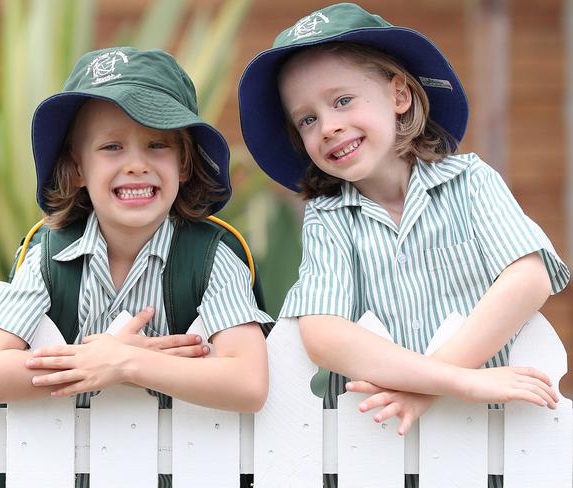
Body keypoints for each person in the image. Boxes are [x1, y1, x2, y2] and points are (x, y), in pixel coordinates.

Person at [238, 3, 569, 487]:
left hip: (496, 440)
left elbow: (528, 277)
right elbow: (323, 334)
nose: (327, 125)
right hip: (375, 447)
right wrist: (458, 381)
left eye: (343, 100)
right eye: (307, 120)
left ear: (399, 94)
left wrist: (428, 385)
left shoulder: (471, 182)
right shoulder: (330, 218)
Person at [0, 47, 272, 487]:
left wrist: (125, 363)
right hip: (63, 468)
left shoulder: (212, 256)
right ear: (76, 168)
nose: (135, 164)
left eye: (157, 144)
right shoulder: (49, 254)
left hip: (190, 468)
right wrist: (99, 356)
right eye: (111, 146)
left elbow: (248, 382)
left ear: (183, 163)